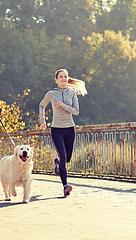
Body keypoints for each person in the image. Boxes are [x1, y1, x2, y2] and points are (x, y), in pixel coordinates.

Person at [39, 69, 87, 197]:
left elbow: (76, 111)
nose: (64, 79)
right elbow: (42, 105)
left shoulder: (72, 94)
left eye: (65, 77)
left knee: (67, 158)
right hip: (56, 129)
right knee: (63, 156)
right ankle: (65, 186)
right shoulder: (51, 94)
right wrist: (43, 121)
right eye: (61, 77)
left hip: (70, 128)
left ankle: (58, 163)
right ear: (56, 80)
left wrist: (63, 106)